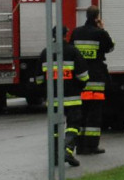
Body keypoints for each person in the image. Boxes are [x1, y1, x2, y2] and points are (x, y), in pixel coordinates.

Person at [35, 27, 89, 166]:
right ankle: (67, 150)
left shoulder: (45, 53)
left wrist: (46, 91)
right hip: (72, 98)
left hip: (53, 100)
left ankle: (55, 156)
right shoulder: (73, 51)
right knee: (73, 125)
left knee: (54, 128)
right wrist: (79, 87)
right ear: (66, 35)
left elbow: (39, 79)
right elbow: (83, 76)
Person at [71, 6, 115, 155]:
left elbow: (72, 52)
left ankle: (80, 146)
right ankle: (92, 146)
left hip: (79, 83)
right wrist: (102, 28)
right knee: (94, 115)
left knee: (81, 114)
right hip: (96, 81)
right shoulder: (99, 33)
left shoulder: (76, 32)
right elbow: (110, 48)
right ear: (97, 17)